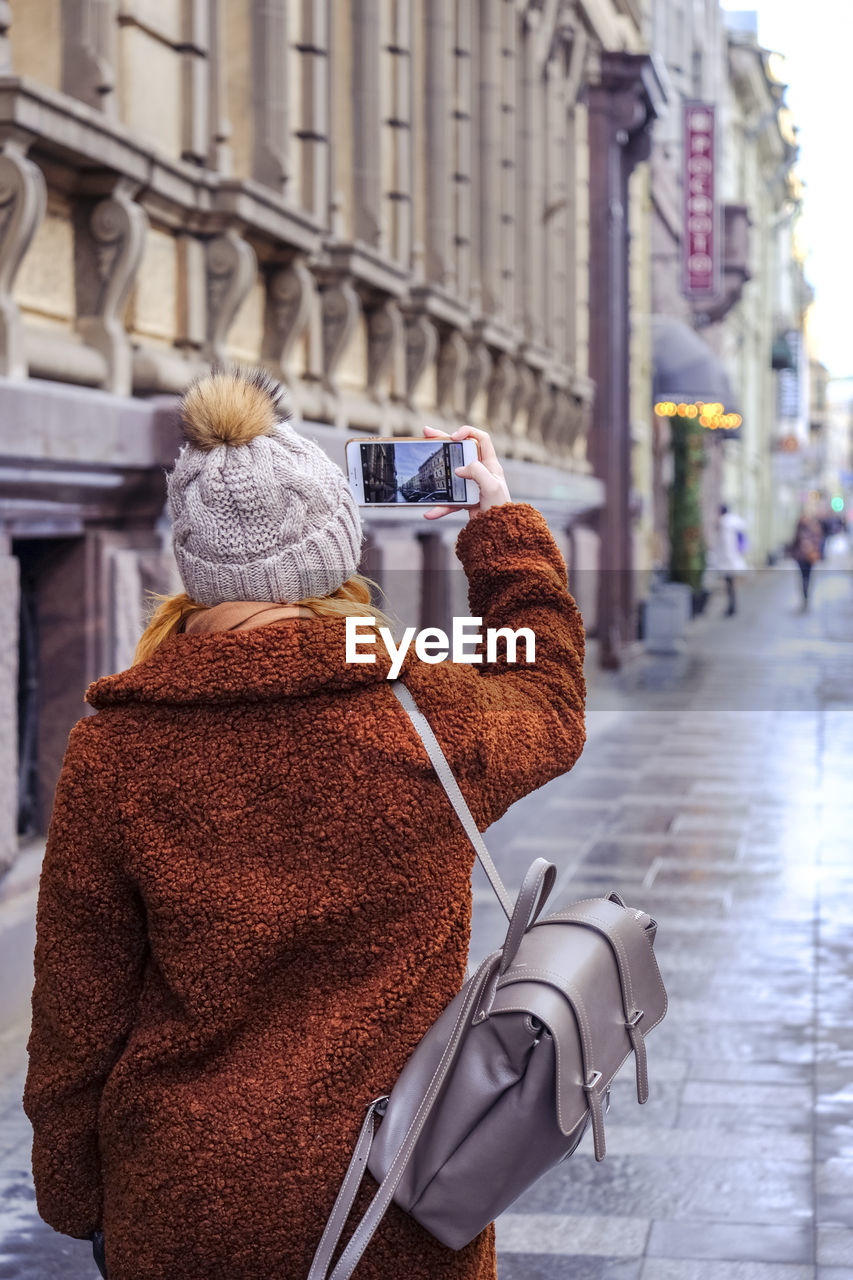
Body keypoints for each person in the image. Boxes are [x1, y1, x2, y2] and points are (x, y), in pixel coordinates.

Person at [23, 367, 587, 1280]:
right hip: (396, 1195)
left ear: (194, 565)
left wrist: (78, 1193)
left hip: (181, 1197)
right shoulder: (424, 713)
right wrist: (499, 528)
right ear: (336, 555)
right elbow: (551, 699)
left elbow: (78, 1015)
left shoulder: (116, 751)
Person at [711, 504, 748, 616]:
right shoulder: (735, 523)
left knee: (729, 585)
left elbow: (724, 546)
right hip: (733, 559)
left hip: (728, 561)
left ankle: (731, 607)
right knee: (731, 585)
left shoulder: (724, 524)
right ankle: (732, 607)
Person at [787, 510, 825, 610]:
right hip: (805, 557)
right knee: (806, 577)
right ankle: (806, 594)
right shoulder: (810, 528)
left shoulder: (807, 528)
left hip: (806, 557)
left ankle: (805, 595)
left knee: (805, 577)